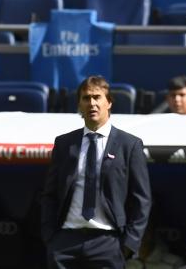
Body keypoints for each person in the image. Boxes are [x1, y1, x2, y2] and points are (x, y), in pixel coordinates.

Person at [41, 75, 152, 268]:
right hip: (65, 240)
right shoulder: (64, 143)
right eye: (86, 98)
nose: (92, 103)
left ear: (109, 102)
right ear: (79, 105)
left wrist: (129, 243)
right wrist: (51, 237)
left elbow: (142, 199)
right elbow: (49, 195)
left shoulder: (130, 145)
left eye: (97, 97)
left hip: (108, 241)